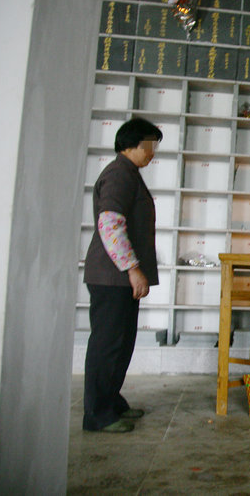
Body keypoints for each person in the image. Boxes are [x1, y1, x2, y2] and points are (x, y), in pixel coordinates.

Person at [82, 118, 163, 433]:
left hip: (117, 277)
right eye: (150, 145)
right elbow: (110, 225)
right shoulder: (119, 174)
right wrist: (133, 269)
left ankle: (111, 403)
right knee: (108, 344)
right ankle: (97, 415)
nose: (152, 152)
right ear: (134, 143)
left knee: (120, 343)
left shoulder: (129, 174)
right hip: (112, 277)